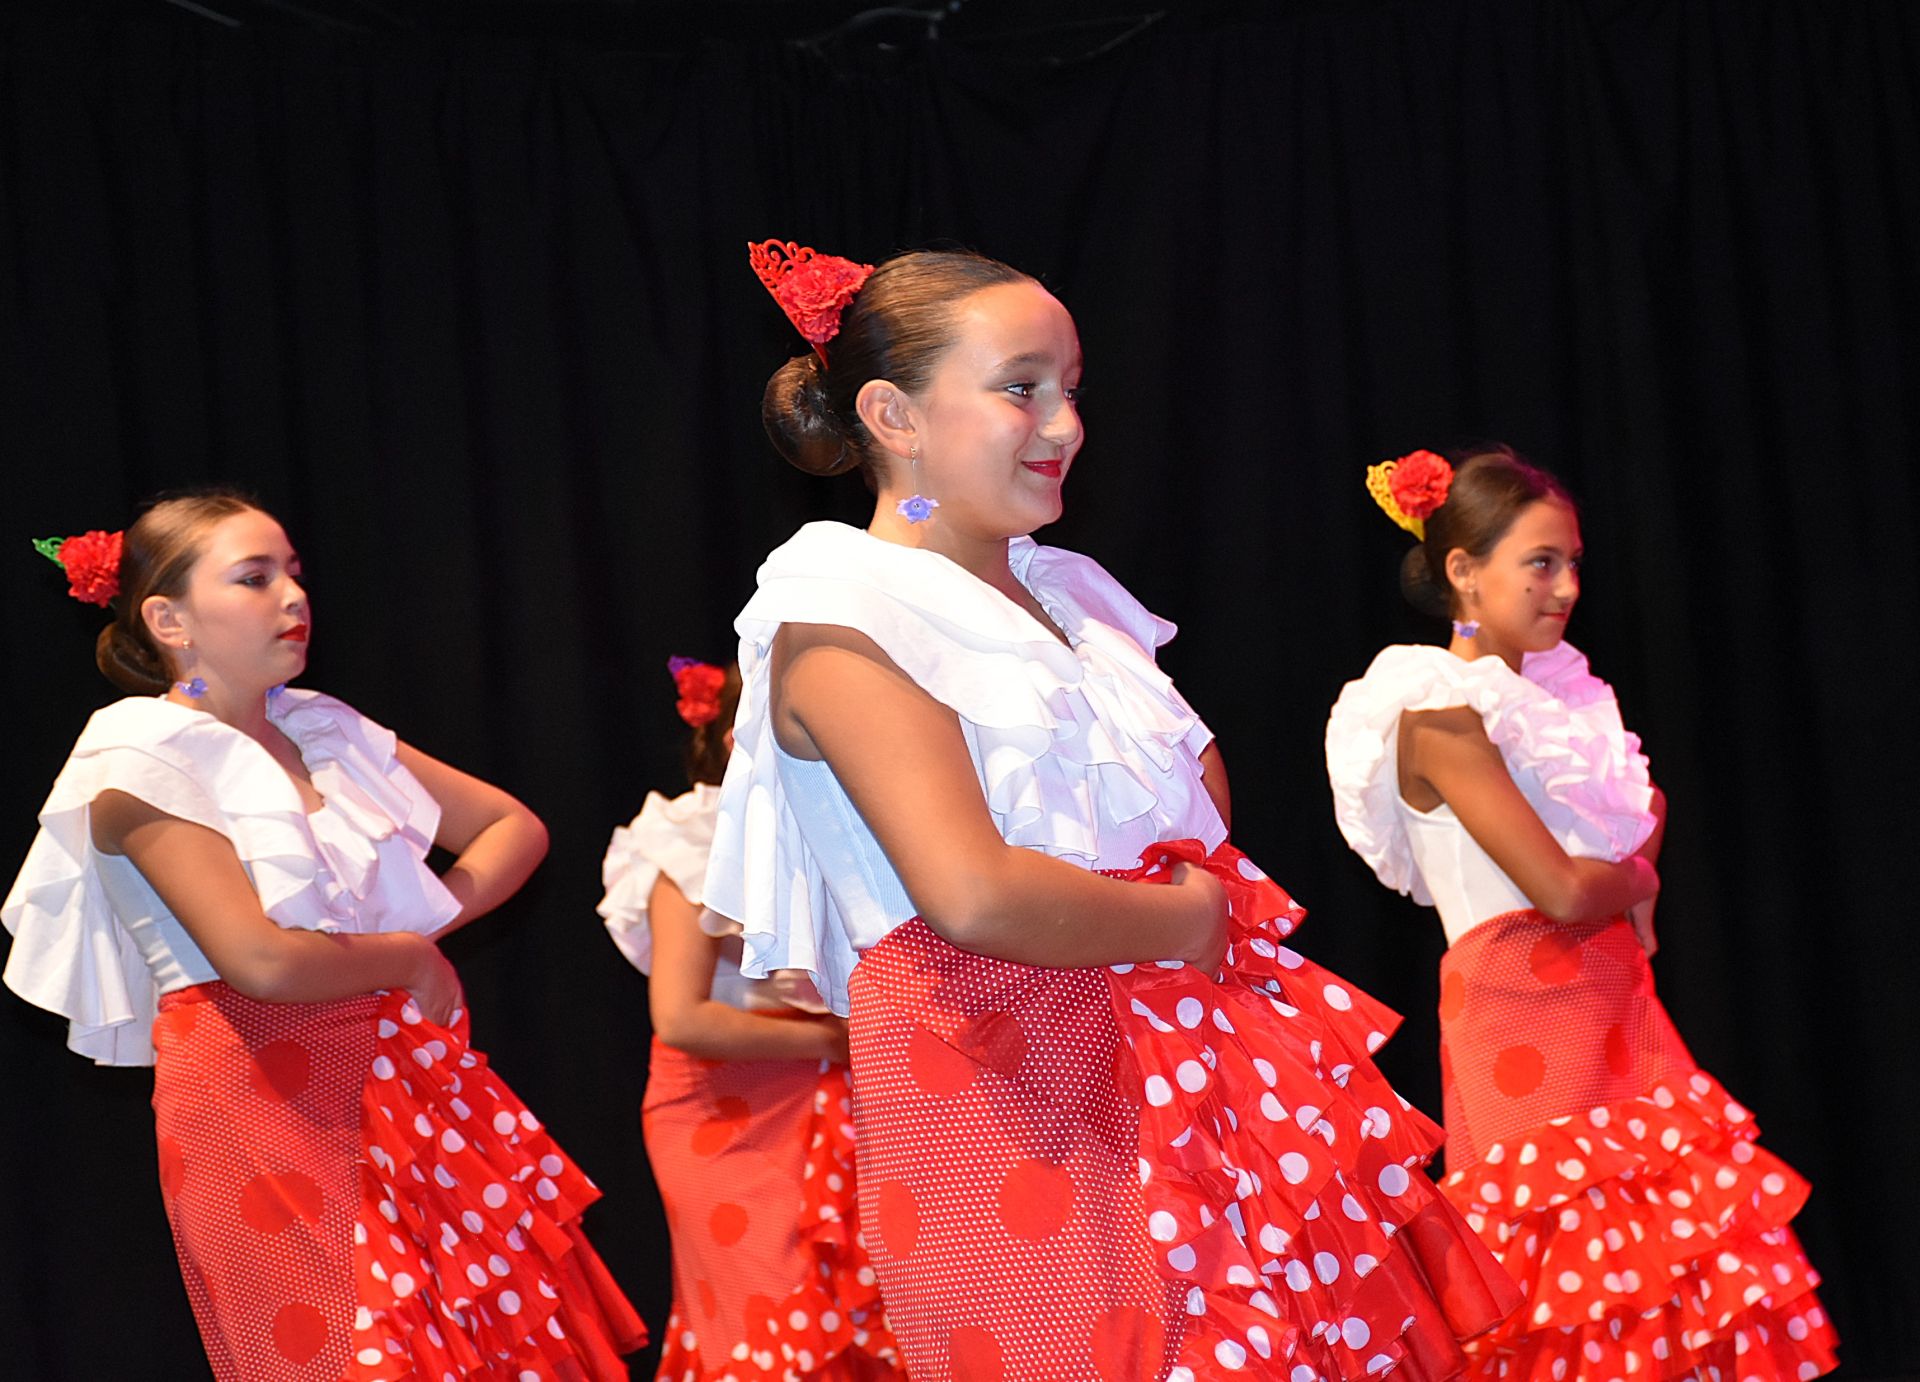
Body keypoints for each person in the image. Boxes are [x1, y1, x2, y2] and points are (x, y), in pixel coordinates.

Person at [701, 241, 1519, 1381]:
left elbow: (1199, 805)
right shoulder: (840, 620)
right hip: (1007, 1096)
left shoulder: (1072, 600)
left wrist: (1189, 917)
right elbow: (974, 890)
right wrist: (1186, 922)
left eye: (1071, 388)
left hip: (1194, 1065)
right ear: (891, 413)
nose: (1065, 422)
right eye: (1020, 387)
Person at [4, 493, 646, 1380]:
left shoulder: (322, 729)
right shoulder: (139, 756)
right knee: (349, 1351)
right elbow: (258, 959)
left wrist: (406, 926)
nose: (294, 598)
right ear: (167, 618)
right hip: (256, 1085)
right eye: (255, 578)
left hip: (400, 1071)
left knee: (470, 1337)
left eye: (295, 574)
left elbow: (513, 828)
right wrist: (404, 953)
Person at [1325, 447, 1838, 1381]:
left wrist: (1627, 871)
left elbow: (1641, 816)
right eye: (1540, 562)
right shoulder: (1433, 714)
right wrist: (1636, 884)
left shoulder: (1558, 704)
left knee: (1662, 1273)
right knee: (1566, 1279)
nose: (1565, 587)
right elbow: (1561, 890)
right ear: (1462, 569)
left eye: (1572, 563)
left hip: (1616, 1012)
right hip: (1523, 1015)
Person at [598, 656, 900, 1381]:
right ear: (739, 743)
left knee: (855, 1322)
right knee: (763, 1328)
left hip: (840, 1099)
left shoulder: (854, 836)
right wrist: (834, 1038)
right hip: (724, 1112)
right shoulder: (691, 841)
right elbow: (682, 1017)